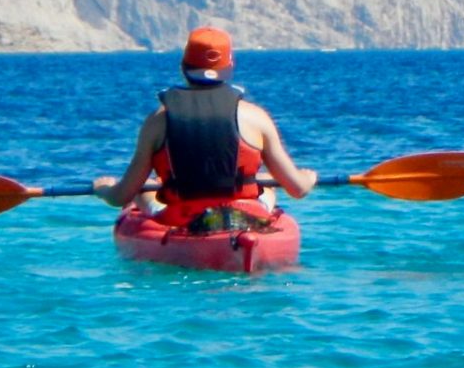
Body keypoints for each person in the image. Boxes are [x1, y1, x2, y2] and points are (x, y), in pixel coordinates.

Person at [92, 27, 315, 228]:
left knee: (144, 189)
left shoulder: (158, 121)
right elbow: (298, 188)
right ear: (229, 67)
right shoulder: (257, 118)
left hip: (185, 218)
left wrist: (104, 190)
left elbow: (121, 196)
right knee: (266, 187)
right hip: (244, 216)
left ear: (184, 68)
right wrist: (308, 177)